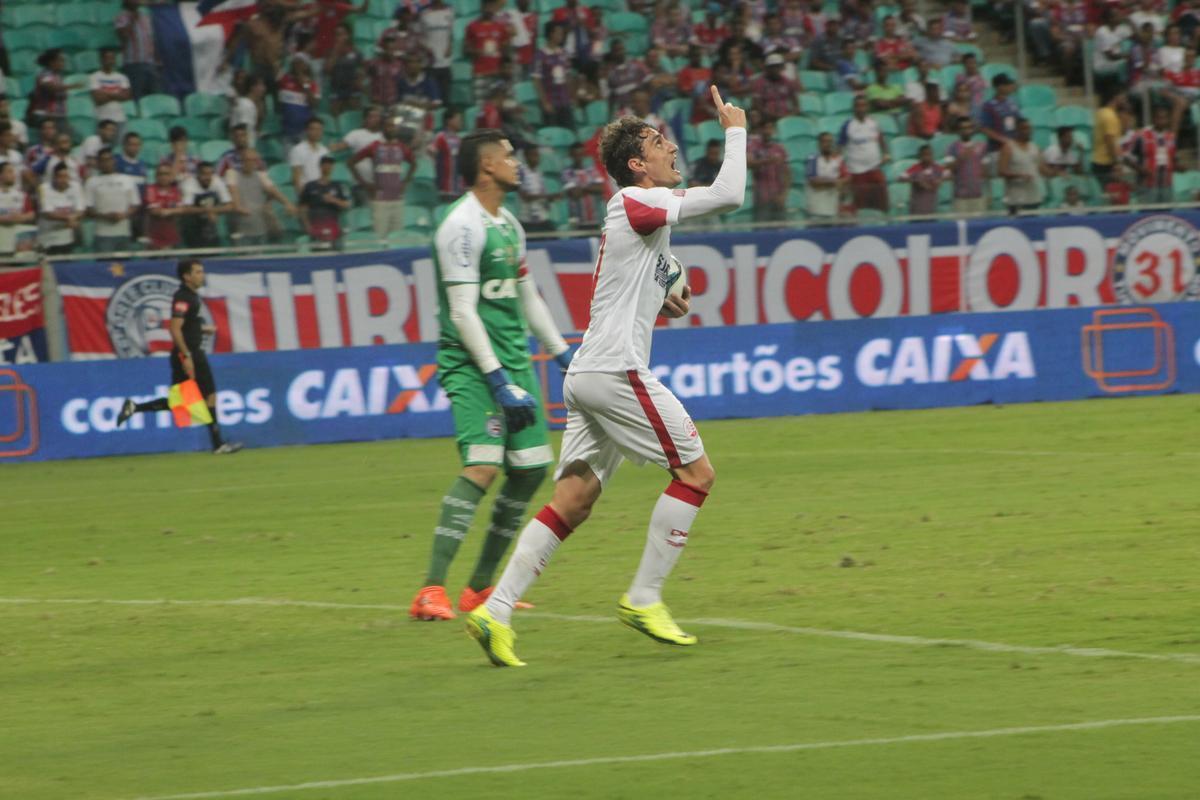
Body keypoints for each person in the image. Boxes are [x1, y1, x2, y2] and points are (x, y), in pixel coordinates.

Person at [464, 87, 745, 667]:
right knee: (696, 474)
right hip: (616, 370)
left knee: (574, 499)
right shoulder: (635, 201)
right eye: (657, 142)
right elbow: (730, 194)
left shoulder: (642, 217)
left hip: (590, 371)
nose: (670, 147)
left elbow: (656, 267)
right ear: (636, 165)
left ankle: (494, 612)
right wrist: (735, 130)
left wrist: (669, 280)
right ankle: (644, 596)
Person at [408, 128, 574, 622]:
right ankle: (430, 590)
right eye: (508, 156)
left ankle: (479, 589)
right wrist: (496, 377)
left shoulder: (508, 224)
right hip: (474, 367)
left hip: (513, 362)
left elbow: (527, 295)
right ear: (486, 166)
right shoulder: (460, 226)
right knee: (482, 466)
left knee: (528, 471)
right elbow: (461, 312)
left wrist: (562, 352)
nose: (516, 163)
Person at [117, 259, 243, 454]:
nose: (202, 275)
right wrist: (187, 356)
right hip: (190, 353)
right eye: (198, 272)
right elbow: (174, 329)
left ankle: (135, 408)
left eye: (202, 271)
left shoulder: (190, 296)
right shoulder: (184, 298)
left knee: (180, 403)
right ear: (187, 276)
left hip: (186, 353)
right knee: (210, 396)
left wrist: (202, 329)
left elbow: (185, 326)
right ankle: (219, 444)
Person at [349, 117, 416, 238]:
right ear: (383, 129)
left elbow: (414, 163)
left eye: (394, 126)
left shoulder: (401, 147)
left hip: (397, 199)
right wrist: (365, 184)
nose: (392, 129)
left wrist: (405, 182)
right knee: (380, 237)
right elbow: (351, 162)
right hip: (380, 200)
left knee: (397, 237)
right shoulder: (374, 146)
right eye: (388, 126)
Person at [227, 148, 295, 246]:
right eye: (248, 160)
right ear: (242, 160)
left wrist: (287, 203)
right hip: (241, 228)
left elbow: (273, 190)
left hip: (260, 227)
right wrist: (238, 206)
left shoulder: (261, 176)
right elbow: (234, 193)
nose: (251, 163)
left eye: (254, 160)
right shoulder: (232, 174)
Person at [839, 95, 889, 213]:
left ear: (867, 107)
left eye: (863, 105)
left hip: (874, 168)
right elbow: (840, 147)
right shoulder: (848, 125)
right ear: (853, 108)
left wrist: (886, 153)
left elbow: (880, 138)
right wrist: (842, 169)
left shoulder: (873, 123)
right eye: (858, 106)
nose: (861, 109)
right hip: (857, 171)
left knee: (881, 202)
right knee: (861, 205)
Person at [85, 147, 140, 252]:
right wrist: (105, 216)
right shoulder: (92, 182)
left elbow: (135, 204)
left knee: (124, 266)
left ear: (114, 160)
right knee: (104, 266)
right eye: (103, 160)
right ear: (98, 163)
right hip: (102, 233)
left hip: (124, 232)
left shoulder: (127, 180)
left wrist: (124, 215)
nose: (106, 163)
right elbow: (88, 208)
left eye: (109, 159)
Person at [1128, 105, 1176, 204]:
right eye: (1159, 118)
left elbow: (1173, 158)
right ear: (1153, 119)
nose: (1162, 121)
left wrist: (1178, 166)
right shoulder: (1142, 136)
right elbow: (1126, 158)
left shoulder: (1171, 137)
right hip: (1148, 185)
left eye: (1164, 118)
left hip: (1167, 185)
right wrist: (1141, 170)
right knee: (1148, 215)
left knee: (1167, 215)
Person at [180, 161, 235, 249]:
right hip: (192, 226)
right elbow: (186, 209)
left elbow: (229, 206)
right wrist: (208, 211)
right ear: (198, 174)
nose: (207, 177)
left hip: (211, 227)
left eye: (210, 174)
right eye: (204, 174)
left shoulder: (217, 181)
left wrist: (211, 211)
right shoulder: (189, 184)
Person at [465, 0, 512, 99]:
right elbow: (465, 49)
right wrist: (476, 51)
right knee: (480, 106)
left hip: (497, 73)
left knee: (498, 106)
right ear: (482, 6)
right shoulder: (472, 26)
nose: (489, 9)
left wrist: (506, 68)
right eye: (487, 6)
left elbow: (506, 49)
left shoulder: (500, 27)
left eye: (492, 6)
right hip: (480, 73)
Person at [533, 21, 576, 129]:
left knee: (569, 131)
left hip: (564, 100)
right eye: (559, 33)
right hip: (550, 101)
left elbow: (568, 76)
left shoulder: (563, 53)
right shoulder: (540, 55)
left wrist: (571, 96)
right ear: (551, 34)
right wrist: (545, 102)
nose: (562, 36)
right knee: (552, 131)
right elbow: (537, 80)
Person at [998, 118, 1047, 215]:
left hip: (1033, 197)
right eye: (1024, 128)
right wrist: (1019, 175)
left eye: (1029, 128)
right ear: (1017, 130)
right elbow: (1001, 171)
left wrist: (1055, 172)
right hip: (1016, 199)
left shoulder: (1035, 147)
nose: (1028, 131)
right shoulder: (1008, 147)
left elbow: (1042, 169)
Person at [299, 155, 350, 246]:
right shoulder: (310, 186)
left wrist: (334, 200)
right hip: (315, 224)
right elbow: (303, 207)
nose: (328, 167)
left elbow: (346, 204)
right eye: (325, 164)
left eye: (330, 165)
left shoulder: (337, 186)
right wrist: (307, 225)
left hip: (332, 224)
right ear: (320, 166)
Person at [114, 0, 159, 99]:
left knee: (154, 97)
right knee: (137, 97)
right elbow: (123, 37)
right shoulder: (121, 17)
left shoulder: (146, 17)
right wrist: (132, 19)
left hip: (150, 64)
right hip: (133, 65)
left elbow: (152, 39)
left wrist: (157, 58)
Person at [37, 164, 85, 255]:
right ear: (54, 177)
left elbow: (81, 210)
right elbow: (47, 213)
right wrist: (69, 218)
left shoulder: (75, 187)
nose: (63, 180)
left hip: (68, 239)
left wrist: (74, 217)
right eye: (60, 177)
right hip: (48, 239)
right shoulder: (44, 188)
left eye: (66, 177)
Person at [748, 117, 790, 222]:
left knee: (782, 231)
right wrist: (767, 161)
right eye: (765, 128)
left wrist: (784, 194)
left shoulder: (779, 149)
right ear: (760, 129)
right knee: (762, 230)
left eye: (770, 128)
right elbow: (749, 163)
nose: (768, 131)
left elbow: (787, 173)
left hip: (778, 197)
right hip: (761, 196)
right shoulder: (753, 146)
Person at [946, 116, 987, 214]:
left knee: (978, 227)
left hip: (978, 196)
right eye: (963, 128)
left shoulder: (981, 146)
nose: (967, 130)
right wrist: (961, 157)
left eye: (969, 127)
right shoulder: (952, 148)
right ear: (958, 130)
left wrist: (988, 192)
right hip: (960, 198)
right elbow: (949, 169)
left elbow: (985, 172)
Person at [806, 131, 849, 221]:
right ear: (819, 144)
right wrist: (834, 182)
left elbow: (847, 177)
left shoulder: (838, 159)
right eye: (825, 141)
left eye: (830, 141)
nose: (828, 144)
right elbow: (813, 182)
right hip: (816, 209)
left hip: (833, 208)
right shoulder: (812, 159)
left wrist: (841, 183)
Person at [561, 141, 605, 227]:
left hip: (595, 219)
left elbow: (601, 188)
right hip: (577, 221)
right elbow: (574, 193)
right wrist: (591, 188)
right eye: (576, 155)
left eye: (581, 154)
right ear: (571, 155)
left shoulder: (591, 171)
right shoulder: (567, 172)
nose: (578, 157)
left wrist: (581, 188)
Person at [418, 0, 455, 102]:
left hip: (445, 62)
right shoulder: (424, 13)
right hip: (430, 63)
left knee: (445, 98)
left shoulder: (450, 11)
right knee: (432, 99)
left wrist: (450, 45)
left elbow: (451, 33)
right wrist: (427, 49)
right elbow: (418, 37)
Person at [516, 144, 558, 232]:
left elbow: (542, 194)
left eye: (537, 155)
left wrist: (551, 199)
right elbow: (525, 196)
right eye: (533, 155)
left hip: (542, 218)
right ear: (526, 156)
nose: (536, 158)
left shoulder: (539, 173)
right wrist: (546, 197)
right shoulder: (521, 172)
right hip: (527, 219)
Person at [278, 57, 320, 144]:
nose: (298, 67)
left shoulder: (312, 84)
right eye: (296, 64)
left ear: (306, 66)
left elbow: (313, 104)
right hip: (287, 131)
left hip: (304, 131)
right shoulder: (285, 81)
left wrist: (305, 86)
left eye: (300, 64)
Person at [750, 53, 803, 120]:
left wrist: (791, 114)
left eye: (778, 66)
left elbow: (796, 103)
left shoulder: (787, 81)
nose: (775, 69)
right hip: (767, 118)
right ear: (767, 68)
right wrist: (773, 116)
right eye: (773, 67)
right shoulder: (760, 83)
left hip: (786, 116)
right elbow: (757, 105)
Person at [90, 48, 133, 129]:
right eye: (107, 58)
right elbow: (98, 99)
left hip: (120, 118)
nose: (110, 61)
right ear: (101, 60)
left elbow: (126, 96)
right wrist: (117, 95)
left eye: (112, 58)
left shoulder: (122, 77)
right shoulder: (94, 77)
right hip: (102, 119)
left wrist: (106, 94)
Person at [145, 163, 184, 250]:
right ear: (156, 176)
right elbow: (154, 211)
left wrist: (166, 211)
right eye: (160, 174)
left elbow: (181, 210)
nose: (163, 177)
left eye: (166, 174)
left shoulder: (176, 191)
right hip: (154, 237)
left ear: (171, 176)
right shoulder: (151, 189)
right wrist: (172, 211)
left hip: (172, 236)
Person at [900, 144, 946, 216]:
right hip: (916, 210)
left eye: (929, 154)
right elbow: (901, 178)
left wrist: (940, 180)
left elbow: (949, 175)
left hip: (931, 210)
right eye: (924, 155)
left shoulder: (937, 168)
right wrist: (916, 181)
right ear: (920, 156)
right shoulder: (915, 168)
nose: (927, 157)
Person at [0, 160, 35, 257]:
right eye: (9, 172)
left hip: (16, 244)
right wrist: (4, 219)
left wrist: (21, 218)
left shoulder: (21, 194)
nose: (14, 175)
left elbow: (31, 214)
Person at [1092, 88, 1127, 183]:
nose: (1125, 99)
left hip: (1097, 161)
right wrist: (1117, 163)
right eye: (1123, 96)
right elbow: (1110, 141)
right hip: (1106, 164)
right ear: (1116, 97)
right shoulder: (1110, 116)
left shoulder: (1101, 112)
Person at [979, 74, 1020, 154]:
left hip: (1013, 147)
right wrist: (1002, 139)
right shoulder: (989, 105)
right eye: (1007, 84)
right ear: (999, 86)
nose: (1010, 86)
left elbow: (1017, 122)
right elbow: (984, 128)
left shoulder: (1012, 103)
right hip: (996, 149)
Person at [430, 108, 464, 201]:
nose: (460, 122)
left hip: (458, 188)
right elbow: (431, 152)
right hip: (445, 188)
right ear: (449, 120)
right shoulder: (441, 137)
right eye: (458, 119)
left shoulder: (459, 139)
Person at [290, 118, 330, 195]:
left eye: (320, 129)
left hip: (323, 192)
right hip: (307, 192)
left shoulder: (324, 150)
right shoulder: (297, 150)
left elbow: (326, 174)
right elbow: (296, 178)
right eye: (314, 129)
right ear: (306, 131)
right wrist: (303, 197)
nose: (317, 132)